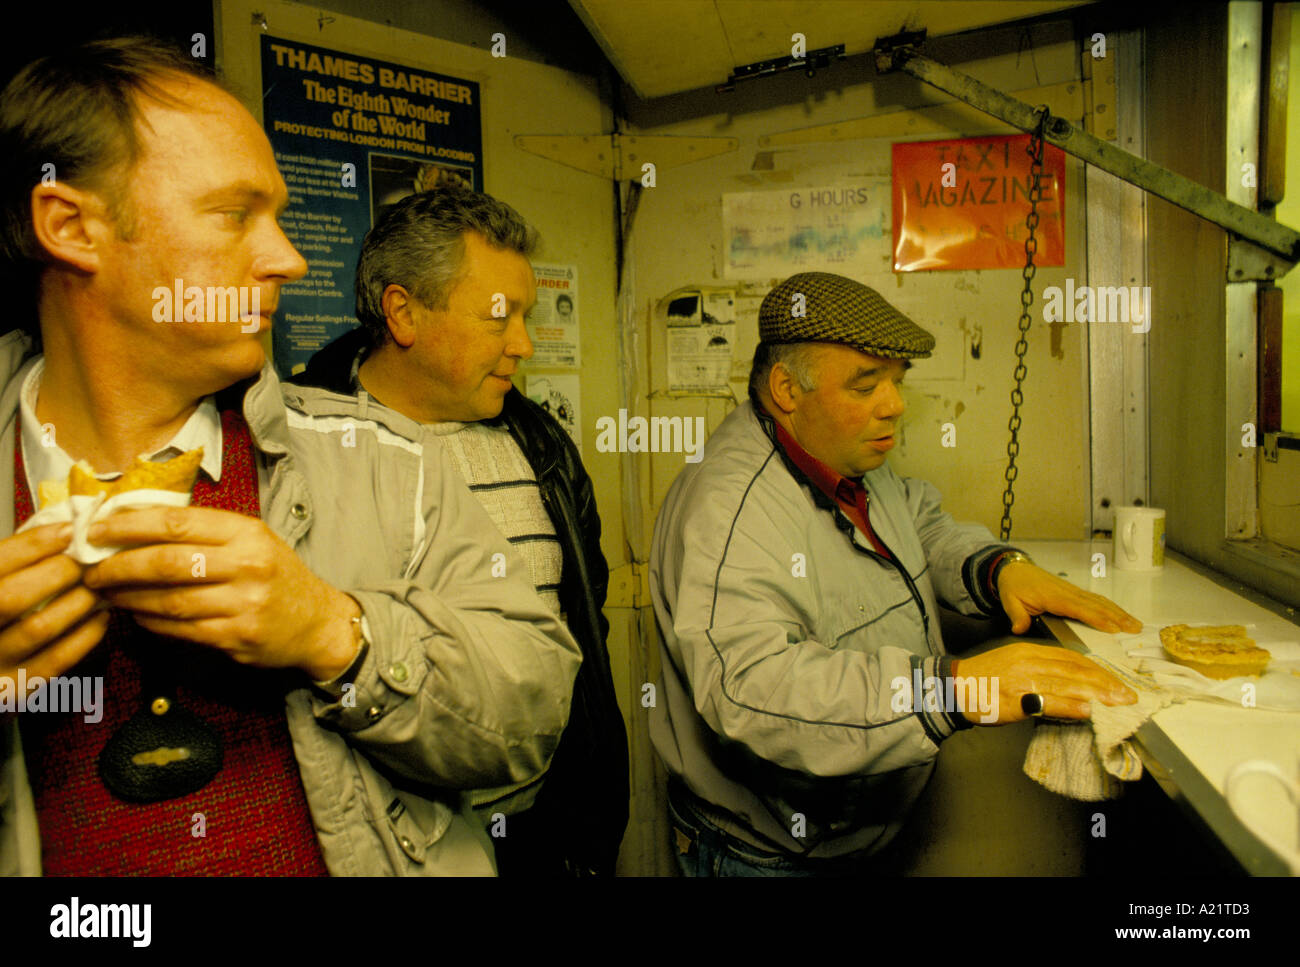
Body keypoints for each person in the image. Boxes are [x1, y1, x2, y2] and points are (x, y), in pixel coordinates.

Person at [0, 36, 580, 876]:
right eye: (236, 214)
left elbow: (531, 724)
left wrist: (334, 634)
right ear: (72, 226)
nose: (291, 258)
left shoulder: (390, 463)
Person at [649, 271, 1141, 876]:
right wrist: (952, 689)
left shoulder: (843, 451)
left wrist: (998, 570)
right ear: (785, 388)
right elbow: (752, 688)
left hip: (858, 830)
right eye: (866, 385)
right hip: (771, 854)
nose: (895, 405)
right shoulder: (727, 511)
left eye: (897, 382)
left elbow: (918, 524)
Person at [290, 186, 628, 876]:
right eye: (500, 317)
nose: (524, 344)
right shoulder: (299, 454)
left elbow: (582, 623)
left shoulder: (542, 444)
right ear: (404, 312)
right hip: (401, 843)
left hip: (546, 830)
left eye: (526, 316)